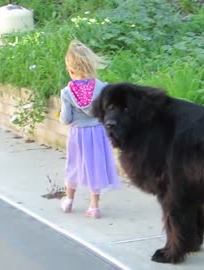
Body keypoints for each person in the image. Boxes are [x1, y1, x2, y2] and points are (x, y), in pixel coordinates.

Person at [58, 40, 120, 219]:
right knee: (96, 167)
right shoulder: (103, 88)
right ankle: (94, 207)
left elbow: (66, 119)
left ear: (71, 70)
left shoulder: (67, 93)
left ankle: (69, 200)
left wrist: (60, 116)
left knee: (74, 165)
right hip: (98, 133)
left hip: (78, 134)